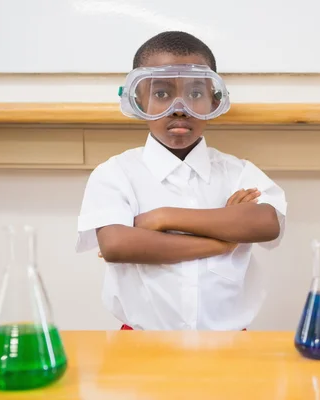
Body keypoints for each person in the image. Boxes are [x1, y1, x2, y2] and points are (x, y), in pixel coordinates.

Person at [76, 31, 287, 330]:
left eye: (195, 94)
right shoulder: (116, 172)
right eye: (161, 94)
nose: (179, 108)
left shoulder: (237, 171)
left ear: (215, 99)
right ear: (138, 100)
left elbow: (266, 223)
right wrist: (222, 242)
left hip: (231, 344)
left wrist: (163, 217)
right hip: (141, 343)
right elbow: (117, 245)